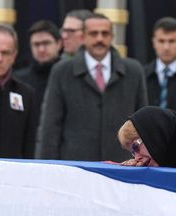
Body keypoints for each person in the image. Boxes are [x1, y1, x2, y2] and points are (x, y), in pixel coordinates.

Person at [36, 13, 148, 162]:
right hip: (75, 167)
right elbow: (51, 126)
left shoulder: (133, 70)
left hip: (122, 166)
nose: (99, 39)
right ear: (83, 37)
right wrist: (47, 166)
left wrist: (143, 159)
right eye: (93, 33)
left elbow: (143, 124)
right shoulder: (62, 71)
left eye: (105, 33)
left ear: (112, 36)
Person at [0, 23, 35, 158]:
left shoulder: (26, 94)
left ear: (14, 56)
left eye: (5, 53)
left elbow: (29, 144)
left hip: (11, 176)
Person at [15, 20, 62, 133]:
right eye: (36, 44)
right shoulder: (18, 80)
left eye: (46, 43)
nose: (41, 49)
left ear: (59, 44)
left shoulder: (69, 77)